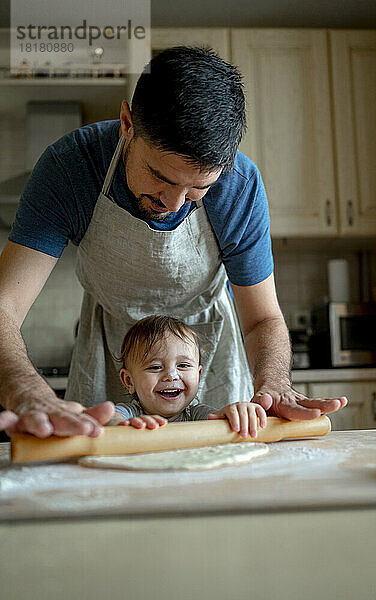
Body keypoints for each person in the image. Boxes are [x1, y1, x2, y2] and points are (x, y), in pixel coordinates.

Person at [0, 46, 347, 439]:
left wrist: (274, 384)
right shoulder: (72, 168)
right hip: (107, 347)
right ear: (127, 123)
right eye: (161, 177)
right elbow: (4, 304)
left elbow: (262, 318)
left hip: (209, 350)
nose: (173, 202)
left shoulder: (239, 186)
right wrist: (25, 390)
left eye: (199, 188)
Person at [110, 315, 267, 439]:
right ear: (129, 381)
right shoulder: (130, 414)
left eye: (183, 366)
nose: (171, 376)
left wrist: (237, 412)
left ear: (198, 375)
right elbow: (110, 419)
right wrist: (122, 426)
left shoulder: (197, 415)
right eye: (155, 367)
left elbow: (222, 422)